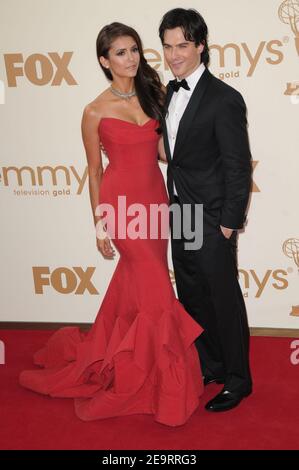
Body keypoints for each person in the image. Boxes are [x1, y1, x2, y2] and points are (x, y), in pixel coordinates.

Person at [19, 22, 204, 427]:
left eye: (134, 49)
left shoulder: (152, 96)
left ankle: (115, 354)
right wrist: (100, 222)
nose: (131, 58)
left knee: (139, 286)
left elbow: (160, 152)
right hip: (121, 207)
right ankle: (164, 385)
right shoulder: (94, 110)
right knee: (157, 287)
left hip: (155, 200)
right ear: (105, 61)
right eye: (120, 52)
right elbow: (94, 170)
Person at [158, 8, 253, 412]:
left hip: (213, 218)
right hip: (181, 212)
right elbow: (175, 156)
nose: (174, 54)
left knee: (223, 299)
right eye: (167, 46)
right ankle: (212, 365)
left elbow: (237, 165)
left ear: (200, 46)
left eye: (182, 45)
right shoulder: (168, 92)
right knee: (193, 295)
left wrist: (229, 223)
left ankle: (238, 379)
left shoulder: (224, 99)